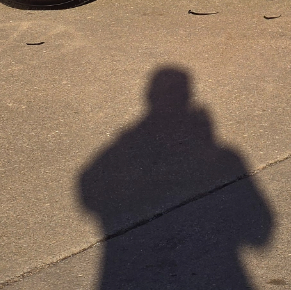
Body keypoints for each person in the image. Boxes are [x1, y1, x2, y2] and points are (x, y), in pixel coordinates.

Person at [78, 67, 274, 289]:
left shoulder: (122, 150)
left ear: (149, 96)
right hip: (208, 271)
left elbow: (88, 189)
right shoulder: (224, 157)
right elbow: (259, 233)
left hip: (134, 271)